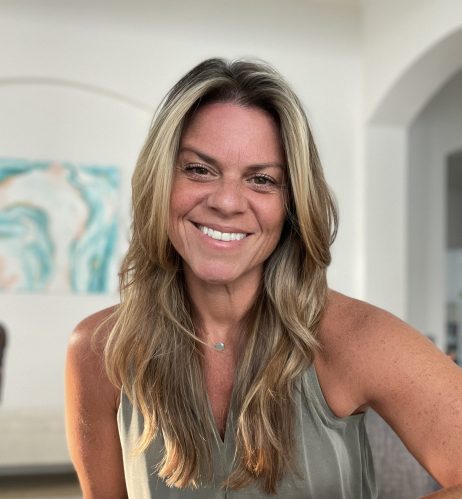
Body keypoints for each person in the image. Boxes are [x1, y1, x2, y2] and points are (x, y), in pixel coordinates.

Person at [65, 58, 462, 499]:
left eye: (261, 179)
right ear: (159, 180)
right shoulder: (97, 351)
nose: (227, 202)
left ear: (291, 204)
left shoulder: (358, 338)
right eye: (199, 169)